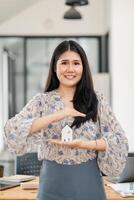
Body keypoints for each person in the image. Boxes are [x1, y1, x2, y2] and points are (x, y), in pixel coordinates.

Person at [4, 40, 128, 200]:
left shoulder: (97, 101)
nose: (70, 69)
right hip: (51, 185)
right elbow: (12, 130)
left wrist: (85, 145)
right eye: (64, 63)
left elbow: (119, 141)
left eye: (76, 63)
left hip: (89, 184)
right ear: (55, 67)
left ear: (83, 67)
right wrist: (59, 114)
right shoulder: (41, 101)